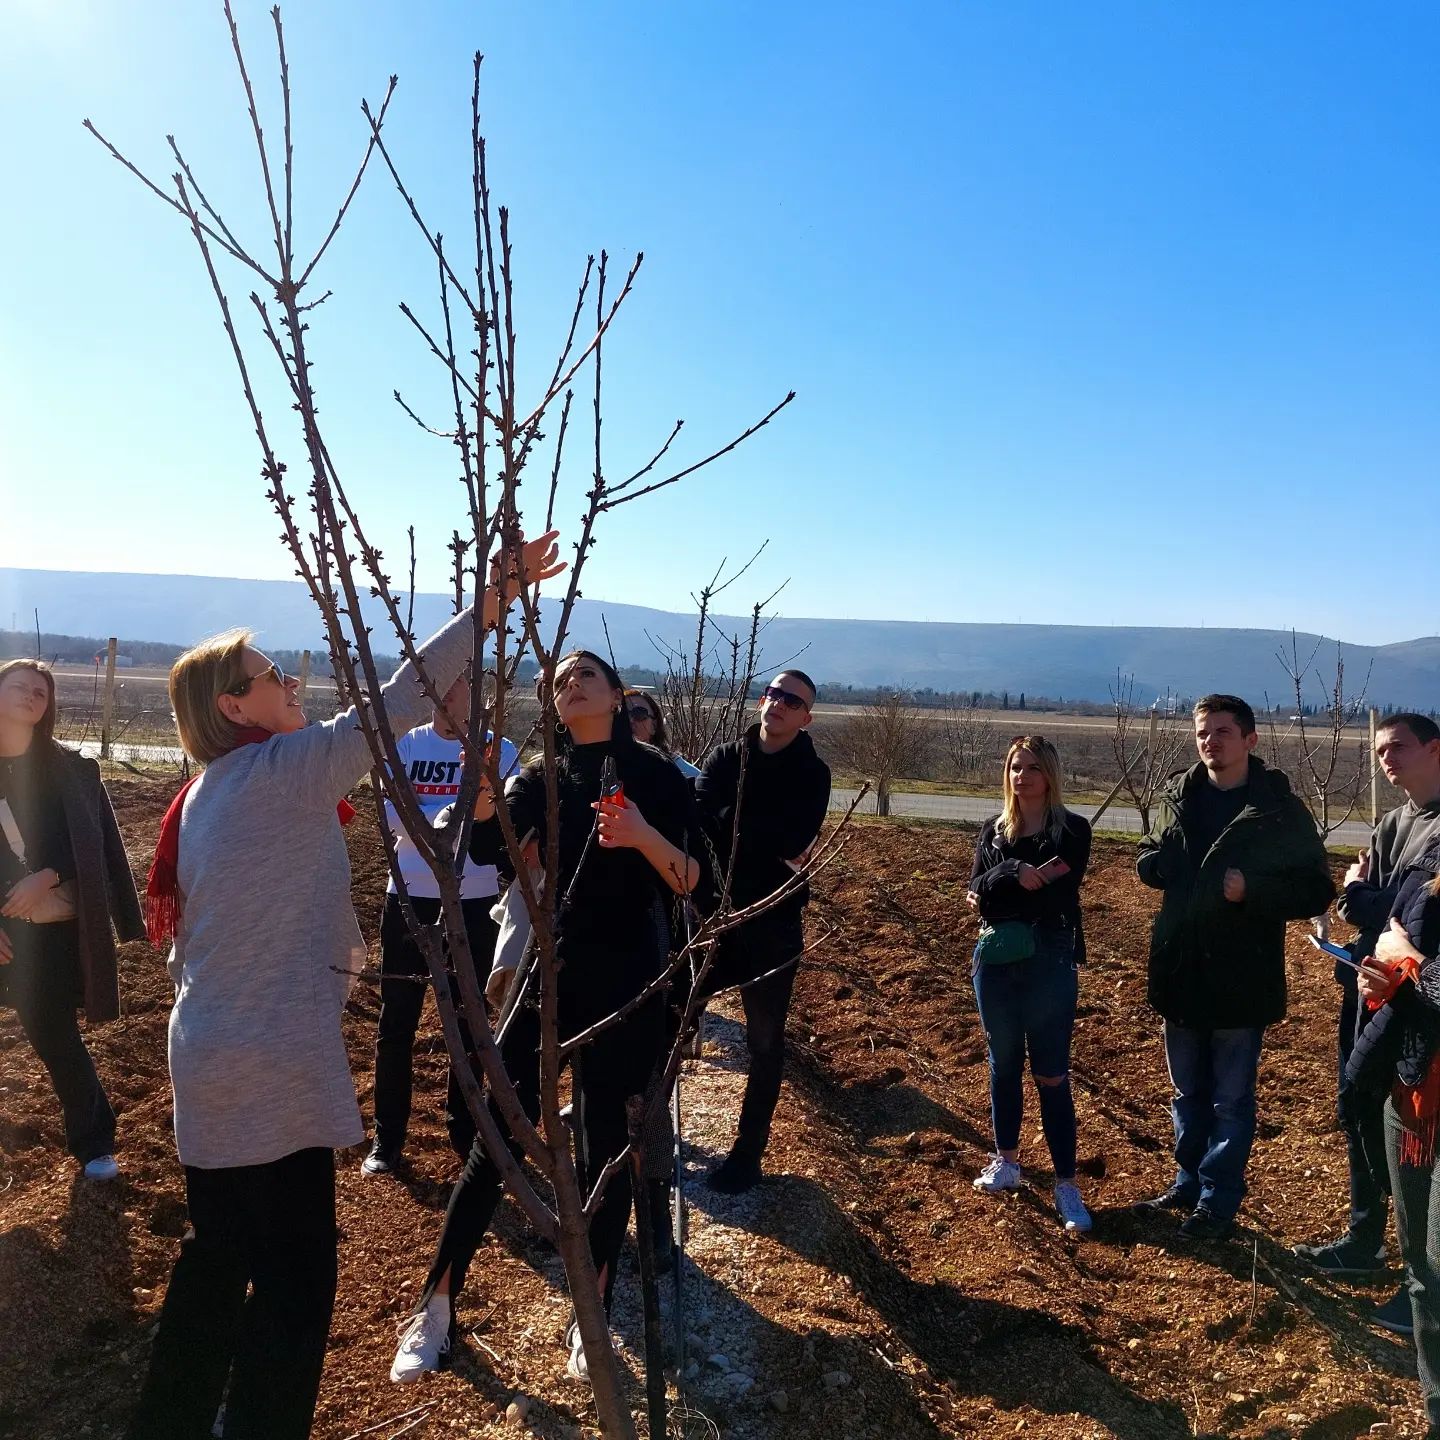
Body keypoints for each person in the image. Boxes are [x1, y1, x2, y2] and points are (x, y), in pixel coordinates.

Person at [126, 532, 562, 1440]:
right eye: (270, 676)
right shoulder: (281, 773)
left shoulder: (201, 795)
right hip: (268, 1056)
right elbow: (396, 697)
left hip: (206, 1049)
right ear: (234, 706)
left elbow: (187, 946)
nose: (291, 682)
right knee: (297, 1278)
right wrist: (491, 602)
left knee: (217, 1261)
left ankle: (170, 1421)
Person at [389, 650, 700, 1385]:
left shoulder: (658, 775)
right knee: (498, 1132)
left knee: (604, 1144)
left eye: (586, 674)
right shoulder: (540, 777)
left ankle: (592, 1314)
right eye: (559, 681)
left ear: (617, 694)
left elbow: (691, 878)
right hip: (549, 971)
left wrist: (641, 836)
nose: (571, 684)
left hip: (628, 974)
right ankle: (437, 1306)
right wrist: (485, 799)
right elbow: (489, 851)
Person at [1135, 694, 1334, 1240]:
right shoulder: (1177, 796)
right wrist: (1154, 866)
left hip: (1240, 976)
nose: (1210, 742)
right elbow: (1148, 851)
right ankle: (1187, 1182)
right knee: (1187, 1093)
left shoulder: (1278, 810)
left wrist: (1254, 891)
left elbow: (1316, 888)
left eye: (1222, 731)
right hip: (1180, 970)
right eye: (1203, 732)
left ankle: (1217, 1200)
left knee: (1230, 1099)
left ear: (1250, 739)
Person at [1294, 713, 1440, 1333]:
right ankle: (1365, 1239)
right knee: (1360, 1105)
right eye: (1379, 750)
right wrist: (1364, 901)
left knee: (1412, 1136)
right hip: (1373, 988)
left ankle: (1422, 1283)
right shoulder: (1393, 822)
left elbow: (1390, 911)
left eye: (1398, 747)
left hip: (1419, 1006)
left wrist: (1358, 894)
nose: (1386, 759)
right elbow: (1379, 911)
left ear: (1435, 749)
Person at [363, 675, 519, 1174]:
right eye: (442, 682)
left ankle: (465, 1130)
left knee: (471, 1021)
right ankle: (388, 1137)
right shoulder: (405, 745)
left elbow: (499, 820)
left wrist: (431, 818)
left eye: (461, 683)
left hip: (476, 900)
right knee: (396, 1021)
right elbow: (391, 813)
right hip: (409, 896)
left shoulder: (499, 751)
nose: (449, 692)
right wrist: (449, 819)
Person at [0, 659, 144, 1182]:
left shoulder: (70, 769)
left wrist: (49, 875)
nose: (30, 696)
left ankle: (94, 1143)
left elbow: (93, 843)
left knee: (55, 1036)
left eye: (40, 692)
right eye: (19, 687)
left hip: (49, 933)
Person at [691, 669, 832, 1194]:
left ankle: (747, 1155)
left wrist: (731, 819)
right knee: (671, 1015)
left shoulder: (813, 773)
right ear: (761, 700)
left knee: (765, 1041)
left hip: (773, 922)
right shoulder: (726, 757)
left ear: (806, 718)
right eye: (774, 694)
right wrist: (757, 828)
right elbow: (697, 820)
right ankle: (645, 1130)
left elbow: (793, 838)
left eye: (792, 701)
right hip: (711, 916)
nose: (779, 704)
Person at [966, 735, 1093, 1233]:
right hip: (996, 962)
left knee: (1051, 1073)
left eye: (1033, 768)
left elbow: (1057, 896)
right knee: (1003, 1065)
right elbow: (975, 889)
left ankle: (1066, 1184)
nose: (1022, 777)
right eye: (1016, 767)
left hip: (1049, 961)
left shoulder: (1072, 831)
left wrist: (995, 892)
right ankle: (1008, 1161)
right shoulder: (993, 830)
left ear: (1050, 774)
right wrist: (1013, 870)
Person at [1348, 833, 1440, 1438]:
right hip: (1414, 1089)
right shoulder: (1432, 859)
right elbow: (1390, 937)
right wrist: (1387, 979)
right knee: (1424, 1277)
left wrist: (1410, 964)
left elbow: (1416, 962)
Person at [625, 688, 700, 777]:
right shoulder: (612, 767)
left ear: (654, 725)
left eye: (639, 713)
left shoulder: (684, 773)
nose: (630, 720)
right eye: (623, 714)